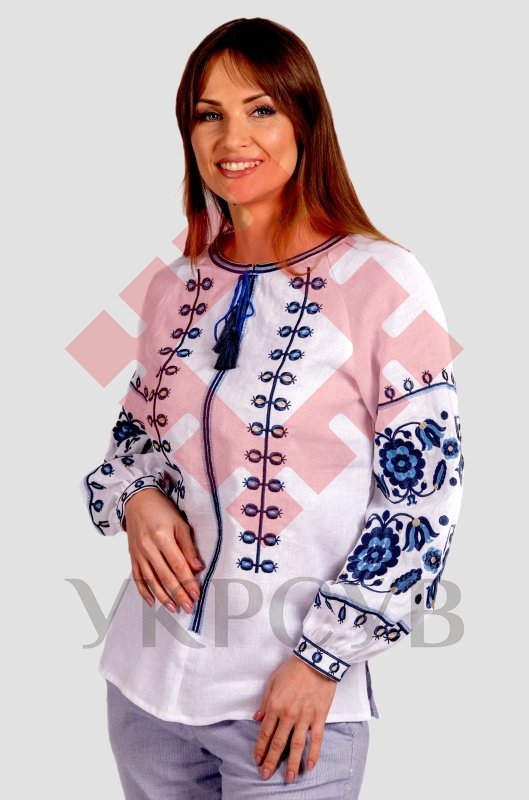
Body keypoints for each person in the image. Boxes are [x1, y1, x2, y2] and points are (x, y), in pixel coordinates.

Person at [81, 16, 465, 800]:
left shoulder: (386, 281)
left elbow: (424, 499)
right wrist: (138, 498)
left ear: (304, 122)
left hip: (288, 706)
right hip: (146, 686)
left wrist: (323, 660)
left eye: (260, 109)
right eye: (208, 114)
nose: (233, 138)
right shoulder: (174, 285)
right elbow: (134, 440)